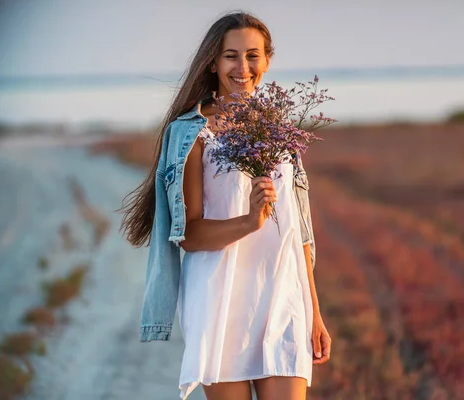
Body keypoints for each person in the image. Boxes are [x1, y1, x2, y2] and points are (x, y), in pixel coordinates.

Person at [119, 12, 331, 400]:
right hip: (219, 299)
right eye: (230, 55)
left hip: (283, 297)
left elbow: (298, 230)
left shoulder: (280, 132)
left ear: (266, 60)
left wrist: (314, 312)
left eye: (253, 55)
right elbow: (190, 234)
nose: (242, 67)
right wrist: (249, 221)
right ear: (213, 63)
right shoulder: (191, 132)